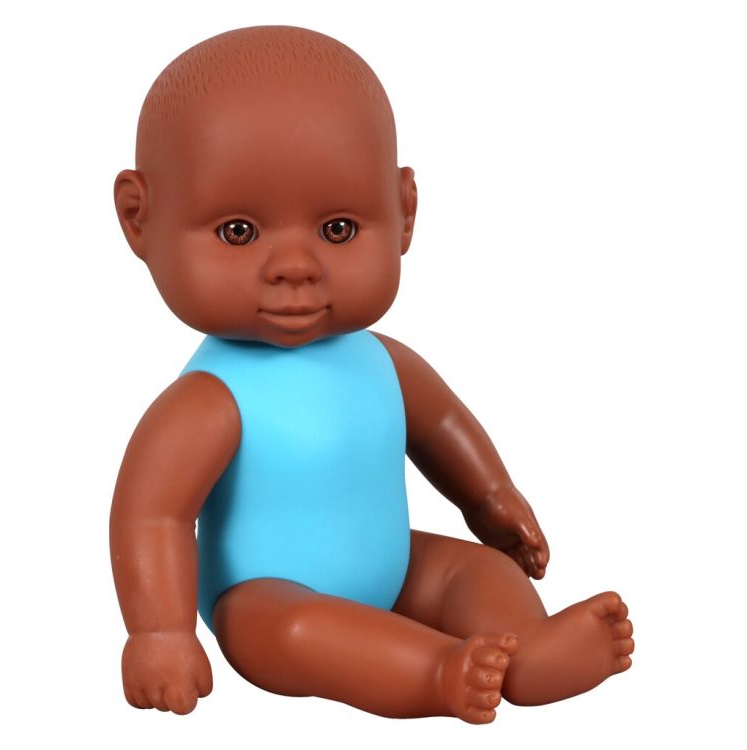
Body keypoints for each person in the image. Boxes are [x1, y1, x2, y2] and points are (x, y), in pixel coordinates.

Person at [111, 25, 633, 723]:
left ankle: (528, 651)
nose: (294, 267)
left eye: (338, 229)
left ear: (404, 212)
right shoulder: (209, 400)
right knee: (298, 632)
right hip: (264, 598)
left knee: (476, 571)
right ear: (140, 219)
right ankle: (438, 674)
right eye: (239, 231)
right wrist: (159, 633)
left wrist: (490, 496)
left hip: (395, 566)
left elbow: (442, 425)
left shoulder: (383, 360)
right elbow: (152, 514)